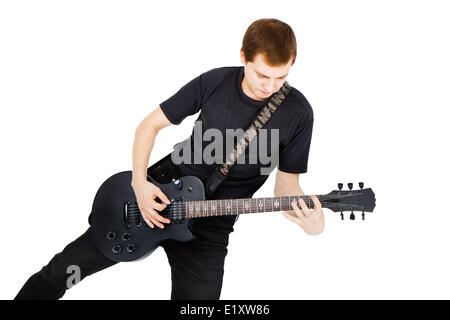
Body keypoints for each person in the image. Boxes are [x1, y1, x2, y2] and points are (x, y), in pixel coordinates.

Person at [14, 17, 324, 300]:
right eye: (261, 75)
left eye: (280, 77)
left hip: (210, 226)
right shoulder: (214, 82)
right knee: (65, 271)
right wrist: (139, 184)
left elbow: (286, 188)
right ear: (243, 57)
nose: (269, 86)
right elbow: (149, 126)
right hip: (157, 193)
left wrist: (310, 224)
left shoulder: (299, 114)